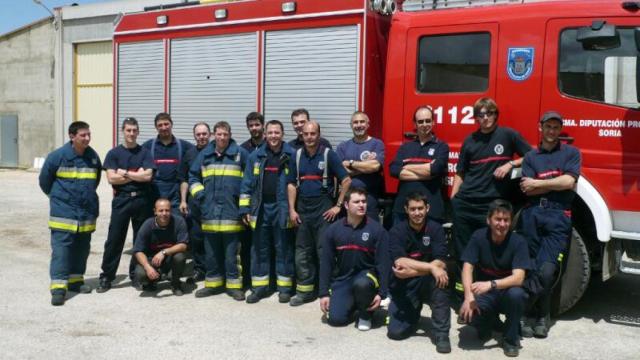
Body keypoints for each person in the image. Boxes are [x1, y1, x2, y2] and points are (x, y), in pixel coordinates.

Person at [519, 111, 581, 338]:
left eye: (556, 127)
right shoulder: (530, 157)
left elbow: (569, 182)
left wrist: (539, 182)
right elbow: (527, 188)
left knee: (547, 270)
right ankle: (540, 317)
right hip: (532, 214)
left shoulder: (571, 153)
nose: (552, 131)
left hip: (558, 216)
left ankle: (524, 308)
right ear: (540, 127)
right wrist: (555, 183)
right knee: (531, 267)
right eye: (548, 127)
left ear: (560, 130)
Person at [451, 98, 531, 259]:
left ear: (496, 115)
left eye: (489, 113)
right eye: (481, 114)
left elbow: (531, 155)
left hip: (490, 205)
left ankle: (485, 283)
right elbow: (460, 172)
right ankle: (462, 283)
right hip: (465, 202)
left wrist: (510, 164)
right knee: (462, 248)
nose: (485, 117)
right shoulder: (470, 140)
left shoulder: (508, 135)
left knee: (488, 248)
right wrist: (454, 198)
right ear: (476, 118)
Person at [287, 121, 351, 306]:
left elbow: (346, 180)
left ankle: (327, 290)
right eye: (306, 134)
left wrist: (338, 205)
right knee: (302, 252)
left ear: (319, 134)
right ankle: (305, 291)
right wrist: (292, 210)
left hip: (324, 209)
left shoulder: (328, 154)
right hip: (302, 209)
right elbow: (291, 184)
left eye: (312, 133)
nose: (309, 137)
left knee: (324, 251)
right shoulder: (296, 155)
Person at [39, 121, 102, 306]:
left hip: (86, 213)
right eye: (83, 135)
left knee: (82, 249)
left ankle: (75, 281)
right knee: (62, 251)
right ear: (72, 136)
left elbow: (95, 181)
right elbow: (44, 182)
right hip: (63, 213)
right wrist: (58, 199)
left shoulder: (92, 157)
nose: (87, 138)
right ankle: (58, 288)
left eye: (89, 134)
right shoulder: (57, 157)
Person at [459, 200, 530, 357]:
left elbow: (518, 278)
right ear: (488, 220)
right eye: (498, 219)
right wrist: (468, 297)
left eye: (506, 220)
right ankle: (491, 323)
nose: (502, 224)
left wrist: (491, 284)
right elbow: (467, 267)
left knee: (517, 295)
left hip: (507, 292)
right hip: (487, 295)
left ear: (511, 222)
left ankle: (511, 339)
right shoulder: (478, 237)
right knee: (467, 314)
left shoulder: (519, 242)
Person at [190, 121, 249, 301]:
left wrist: (244, 207)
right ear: (214, 135)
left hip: (232, 215)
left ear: (230, 135)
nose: (222, 137)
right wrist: (201, 196)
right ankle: (213, 285)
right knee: (212, 254)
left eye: (225, 134)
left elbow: (248, 182)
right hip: (210, 214)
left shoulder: (240, 154)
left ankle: (234, 287)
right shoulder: (205, 155)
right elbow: (192, 176)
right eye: (219, 134)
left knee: (232, 256)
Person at [387, 192, 451, 353]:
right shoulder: (397, 231)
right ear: (406, 210)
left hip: (426, 281)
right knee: (395, 333)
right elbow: (400, 262)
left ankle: (442, 334)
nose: (417, 213)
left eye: (420, 208)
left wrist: (416, 271)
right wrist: (430, 268)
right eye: (413, 209)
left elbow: (441, 261)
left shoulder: (436, 229)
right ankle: (413, 313)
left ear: (427, 208)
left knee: (441, 279)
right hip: (405, 284)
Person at [240, 120, 296, 304]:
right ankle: (259, 287)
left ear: (282, 134)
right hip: (261, 208)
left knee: (283, 248)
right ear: (265, 134)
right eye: (270, 133)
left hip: (282, 208)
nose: (273, 136)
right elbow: (247, 184)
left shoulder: (291, 155)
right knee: (259, 248)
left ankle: (284, 288)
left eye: (277, 132)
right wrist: (245, 209)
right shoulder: (255, 156)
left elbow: (295, 184)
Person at [318, 187, 389, 331]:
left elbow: (384, 264)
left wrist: (382, 293)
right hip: (344, 279)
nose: (362, 205)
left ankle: (365, 314)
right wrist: (324, 293)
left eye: (364, 201)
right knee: (335, 320)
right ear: (346, 205)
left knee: (362, 284)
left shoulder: (377, 230)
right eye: (356, 202)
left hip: (367, 278)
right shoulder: (333, 230)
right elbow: (326, 263)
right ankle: (353, 303)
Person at [97, 117, 154, 292]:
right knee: (115, 239)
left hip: (142, 200)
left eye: (134, 130)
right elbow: (111, 178)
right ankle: (107, 276)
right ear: (123, 131)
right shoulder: (114, 153)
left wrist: (125, 173)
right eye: (128, 130)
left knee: (140, 239)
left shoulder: (144, 153)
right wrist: (137, 174)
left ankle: (136, 275)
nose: (131, 133)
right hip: (122, 200)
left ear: (138, 132)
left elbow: (148, 176)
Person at [389, 106, 449, 224]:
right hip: (403, 210)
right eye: (420, 121)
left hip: (431, 210)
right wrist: (426, 172)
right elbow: (394, 170)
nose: (424, 124)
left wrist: (407, 166)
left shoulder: (441, 146)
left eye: (427, 120)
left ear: (433, 122)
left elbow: (436, 169)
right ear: (415, 124)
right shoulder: (405, 147)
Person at [133, 198, 189, 296]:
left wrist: (164, 252)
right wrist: (147, 267)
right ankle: (151, 282)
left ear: (171, 211)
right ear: (155, 212)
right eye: (161, 210)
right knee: (140, 274)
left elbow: (183, 245)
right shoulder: (147, 225)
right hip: (152, 261)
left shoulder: (179, 222)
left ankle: (175, 284)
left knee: (180, 256)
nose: (164, 213)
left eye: (167, 210)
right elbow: (138, 251)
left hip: (170, 259)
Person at [336, 111, 385, 221]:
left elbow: (375, 167)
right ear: (351, 126)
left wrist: (351, 163)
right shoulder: (343, 146)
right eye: (355, 122)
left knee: (370, 231)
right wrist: (365, 168)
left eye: (362, 122)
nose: (359, 125)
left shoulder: (377, 144)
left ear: (368, 124)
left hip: (369, 198)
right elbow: (340, 171)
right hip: (348, 198)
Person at [143, 112, 194, 212]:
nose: (164, 127)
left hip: (176, 193)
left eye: (166, 124)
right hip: (154, 192)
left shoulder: (185, 146)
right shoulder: (147, 146)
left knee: (177, 222)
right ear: (156, 127)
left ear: (171, 124)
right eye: (160, 125)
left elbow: (200, 152)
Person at [181, 122, 211, 283]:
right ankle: (200, 269)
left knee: (213, 237)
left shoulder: (217, 151)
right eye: (198, 134)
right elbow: (184, 179)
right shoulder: (189, 154)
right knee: (197, 237)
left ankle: (215, 269)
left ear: (210, 134)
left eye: (204, 134)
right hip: (195, 203)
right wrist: (184, 201)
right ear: (194, 136)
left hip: (214, 204)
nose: (201, 137)